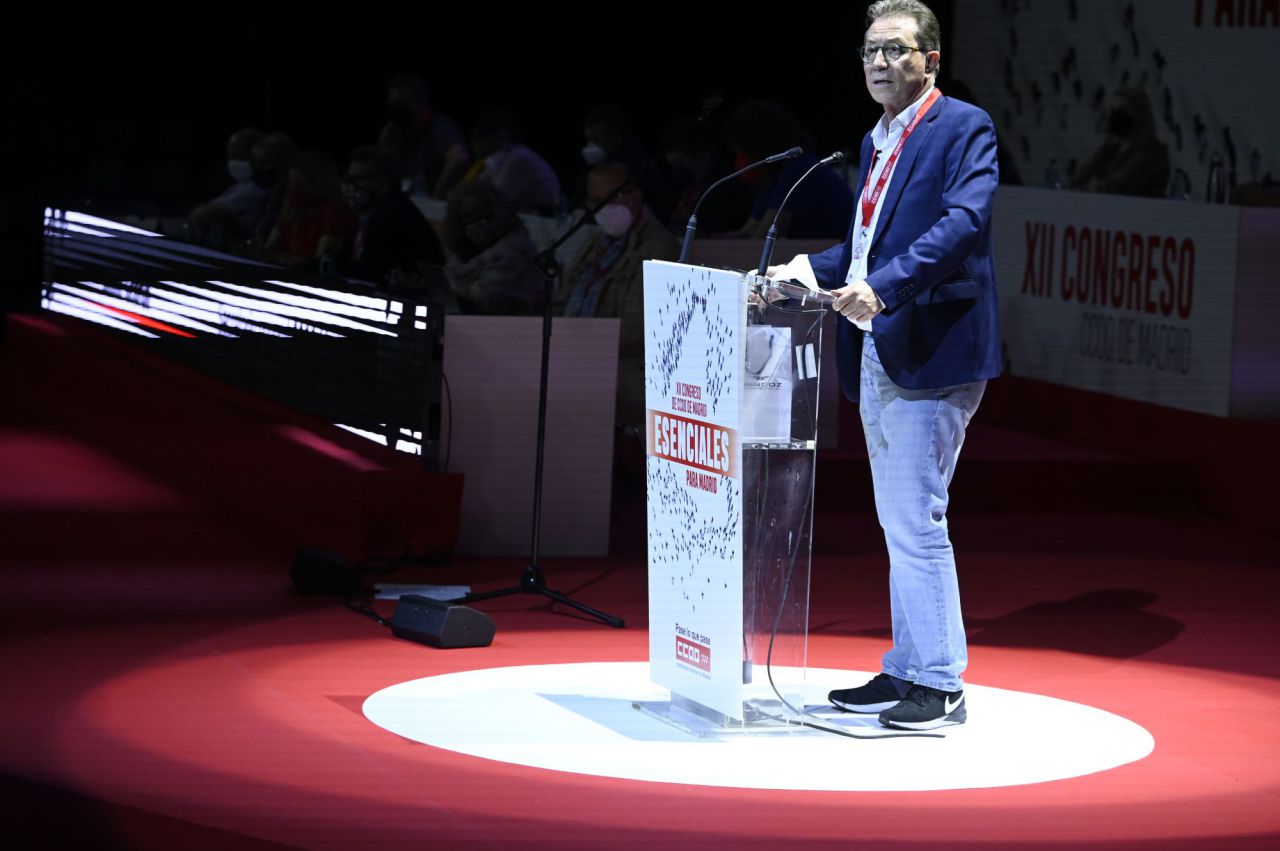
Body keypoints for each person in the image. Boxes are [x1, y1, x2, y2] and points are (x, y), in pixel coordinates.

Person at [767, 0, 1000, 730]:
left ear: (932, 59)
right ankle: (908, 666)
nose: (879, 63)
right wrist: (804, 268)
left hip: (932, 344)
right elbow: (863, 247)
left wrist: (886, 287)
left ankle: (940, 682)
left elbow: (962, 224)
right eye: (870, 51)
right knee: (897, 517)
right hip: (873, 343)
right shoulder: (876, 140)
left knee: (915, 514)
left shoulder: (964, 125)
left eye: (897, 50)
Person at [554, 161, 678, 434]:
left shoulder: (660, 247)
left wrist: (580, 343)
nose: (603, 208)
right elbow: (564, 300)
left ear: (636, 195)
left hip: (623, 378)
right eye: (595, 201)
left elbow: (640, 331)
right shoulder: (594, 242)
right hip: (577, 363)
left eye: (611, 198)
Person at [341, 145, 444, 287]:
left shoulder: (394, 216)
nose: (350, 186)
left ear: (383, 180)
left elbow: (371, 271)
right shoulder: (378, 212)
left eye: (358, 179)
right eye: (349, 179)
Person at [1072, 87, 1170, 198]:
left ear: (1140, 116)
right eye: (1113, 110)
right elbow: (1080, 180)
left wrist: (1092, 187)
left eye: (1123, 110)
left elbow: (1121, 186)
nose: (1115, 115)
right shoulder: (1111, 150)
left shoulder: (1153, 153)